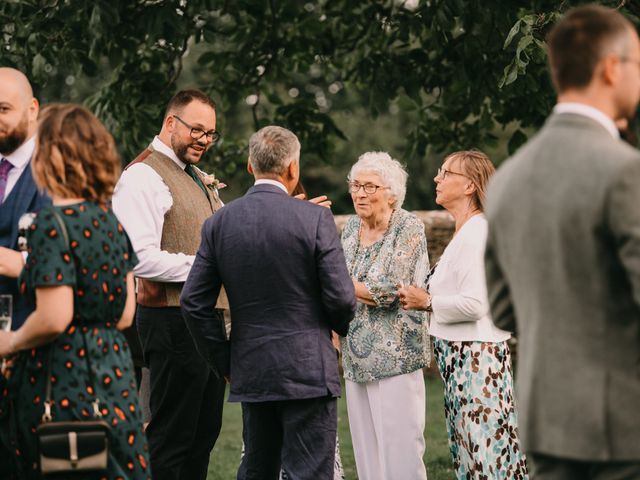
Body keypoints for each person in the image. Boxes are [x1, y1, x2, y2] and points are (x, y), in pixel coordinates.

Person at [484, 5, 640, 479]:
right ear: (612, 68)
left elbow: (505, 311)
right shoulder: (624, 171)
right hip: (624, 430)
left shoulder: (509, 178)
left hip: (544, 424)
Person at [180, 125, 356, 480]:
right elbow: (341, 297)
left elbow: (193, 303)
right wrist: (334, 330)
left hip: (253, 368)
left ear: (250, 166)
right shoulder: (315, 219)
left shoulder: (219, 223)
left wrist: (224, 360)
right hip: (308, 368)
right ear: (293, 168)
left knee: (258, 469)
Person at [0, 103, 150, 479]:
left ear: (48, 156)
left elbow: (54, 316)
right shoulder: (110, 223)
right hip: (113, 378)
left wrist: (13, 341)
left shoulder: (50, 224)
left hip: (62, 385)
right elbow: (125, 315)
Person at [112, 89, 227, 480]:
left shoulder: (194, 175)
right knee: (171, 439)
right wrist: (206, 267)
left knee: (203, 435)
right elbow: (138, 257)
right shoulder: (142, 175)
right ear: (170, 123)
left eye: (210, 133)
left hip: (204, 322)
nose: (204, 139)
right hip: (171, 323)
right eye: (197, 129)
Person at [399, 150, 528, 479]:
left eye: (445, 173)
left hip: (476, 364)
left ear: (470, 185)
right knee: (472, 455)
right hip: (461, 363)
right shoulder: (466, 232)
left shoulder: (477, 233)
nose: (436, 178)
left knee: (487, 456)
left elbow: (475, 304)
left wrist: (427, 301)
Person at [340, 151, 429, 480]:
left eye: (369, 187)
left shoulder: (408, 227)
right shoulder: (350, 228)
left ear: (391, 193)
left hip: (396, 357)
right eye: (355, 185)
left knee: (401, 449)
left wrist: (334, 282)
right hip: (355, 358)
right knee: (366, 452)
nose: (359, 193)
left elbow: (390, 290)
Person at [0, 68, 50, 330]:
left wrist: (19, 262)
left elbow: (87, 259)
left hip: (36, 340)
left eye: (3, 109)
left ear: (32, 109)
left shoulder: (62, 171)